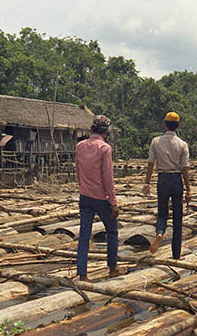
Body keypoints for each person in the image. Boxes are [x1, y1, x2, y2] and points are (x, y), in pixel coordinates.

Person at [75, 115, 127, 281]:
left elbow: (78, 173)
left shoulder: (80, 146)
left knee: (84, 235)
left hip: (85, 197)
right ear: (106, 132)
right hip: (101, 198)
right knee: (112, 231)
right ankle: (112, 268)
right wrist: (114, 203)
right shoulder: (105, 148)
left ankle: (82, 274)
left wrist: (83, 188)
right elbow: (108, 178)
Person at [141, 112, 191, 259]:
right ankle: (176, 255)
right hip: (176, 181)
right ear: (178, 126)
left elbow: (150, 164)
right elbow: (185, 169)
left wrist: (146, 183)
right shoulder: (183, 144)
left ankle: (160, 233)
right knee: (177, 218)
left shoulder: (156, 141)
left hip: (162, 180)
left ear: (165, 125)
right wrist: (188, 189)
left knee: (162, 213)